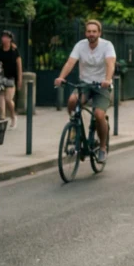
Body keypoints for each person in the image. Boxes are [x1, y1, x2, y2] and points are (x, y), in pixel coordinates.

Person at [54, 20, 115, 164]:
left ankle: (102, 148)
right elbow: (70, 63)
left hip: (102, 86)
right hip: (85, 84)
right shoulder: (80, 45)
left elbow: (110, 63)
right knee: (72, 101)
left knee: (99, 115)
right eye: (89, 31)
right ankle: (75, 127)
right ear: (85, 33)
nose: (91, 34)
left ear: (99, 33)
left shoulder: (107, 46)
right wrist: (61, 77)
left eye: (94, 31)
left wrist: (107, 79)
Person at [0, 30, 23, 128]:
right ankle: (2, 118)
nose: (4, 39)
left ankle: (13, 116)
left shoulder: (14, 50)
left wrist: (19, 79)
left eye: (6, 37)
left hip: (11, 78)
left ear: (10, 39)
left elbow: (19, 65)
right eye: (3, 37)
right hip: (1, 77)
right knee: (0, 98)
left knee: (8, 99)